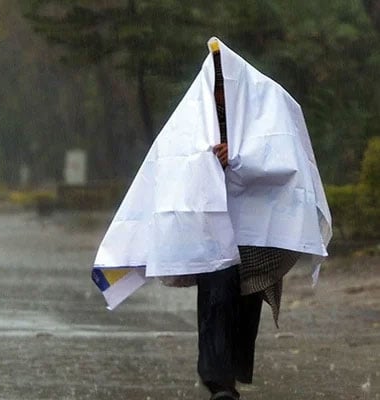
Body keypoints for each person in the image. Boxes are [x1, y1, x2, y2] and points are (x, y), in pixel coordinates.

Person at [91, 37, 331, 400]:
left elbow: (287, 157)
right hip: (214, 227)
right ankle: (219, 382)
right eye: (215, 89)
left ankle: (230, 375)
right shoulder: (196, 115)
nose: (219, 96)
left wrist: (240, 157)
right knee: (216, 295)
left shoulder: (269, 102)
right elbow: (173, 161)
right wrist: (207, 161)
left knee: (247, 300)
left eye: (223, 87)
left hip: (256, 233)